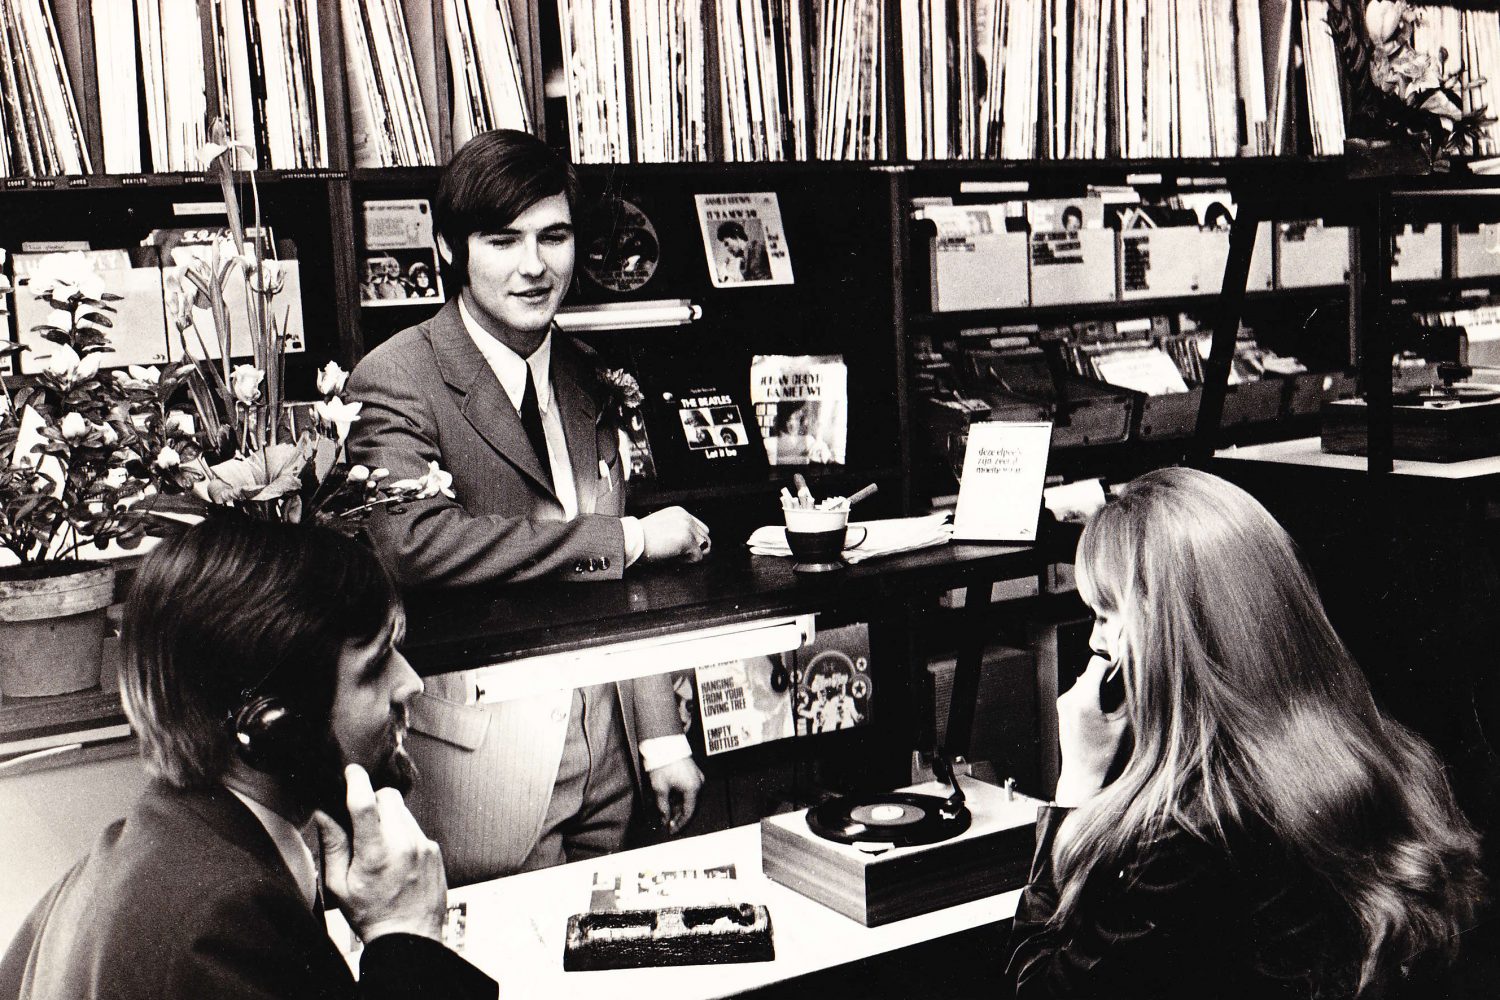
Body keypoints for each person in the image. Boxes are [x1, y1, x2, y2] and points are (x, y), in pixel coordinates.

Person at [346, 129, 704, 884]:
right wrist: (629, 539)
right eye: (503, 240)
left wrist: (661, 738)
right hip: (487, 765)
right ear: (449, 249)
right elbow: (414, 544)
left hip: (611, 754)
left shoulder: (586, 371)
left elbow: (622, 583)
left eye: (554, 237)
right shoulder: (396, 376)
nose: (534, 265)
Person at [1006, 468, 1485, 999]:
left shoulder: (1183, 839)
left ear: (1166, 633)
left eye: (1104, 615)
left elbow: (1040, 989)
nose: (1096, 644)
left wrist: (1076, 785)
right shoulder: (1389, 761)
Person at [0, 517, 495, 1000]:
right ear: (272, 724)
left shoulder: (132, 861)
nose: (411, 683)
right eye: (375, 666)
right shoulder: (219, 930)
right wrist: (407, 937)